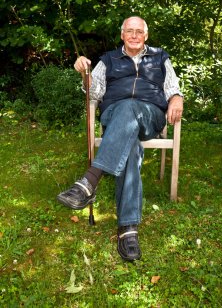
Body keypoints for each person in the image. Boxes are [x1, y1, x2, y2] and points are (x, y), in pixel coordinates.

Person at [57, 16, 183, 261]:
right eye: (129, 31)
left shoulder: (160, 57)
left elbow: (173, 87)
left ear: (145, 35)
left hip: (150, 114)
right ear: (122, 34)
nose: (134, 35)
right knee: (131, 145)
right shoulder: (108, 60)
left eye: (139, 32)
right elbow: (94, 92)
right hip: (115, 115)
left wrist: (177, 98)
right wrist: (84, 73)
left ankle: (89, 181)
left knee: (131, 107)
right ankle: (128, 229)